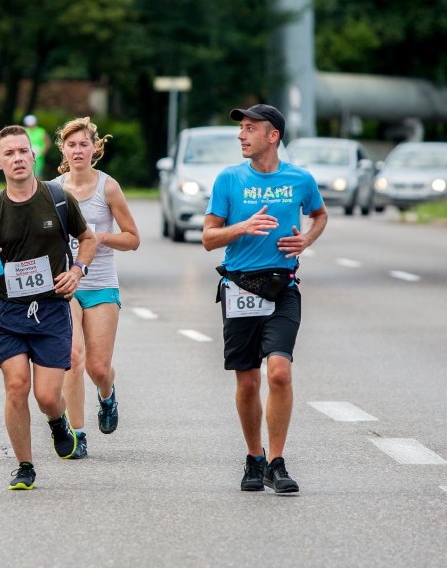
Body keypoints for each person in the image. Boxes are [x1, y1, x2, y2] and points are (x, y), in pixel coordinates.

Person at [202, 104, 327, 494]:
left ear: (273, 136)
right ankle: (253, 458)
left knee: (279, 372)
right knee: (248, 384)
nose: (241, 135)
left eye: (250, 128)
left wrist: (306, 239)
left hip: (283, 288)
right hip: (239, 289)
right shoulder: (228, 179)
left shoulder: (300, 179)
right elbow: (208, 238)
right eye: (241, 128)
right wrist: (242, 227)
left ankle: (276, 461)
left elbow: (320, 215)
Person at [0, 125, 96, 490]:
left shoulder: (56, 199)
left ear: (34, 156)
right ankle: (25, 465)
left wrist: (77, 270)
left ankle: (58, 421)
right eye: (9, 153)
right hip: (7, 312)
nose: (17, 158)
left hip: (52, 310)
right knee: (16, 385)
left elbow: (87, 239)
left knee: (46, 396)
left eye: (23, 151)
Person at [51, 117, 140, 459]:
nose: (77, 150)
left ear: (94, 149)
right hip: (67, 284)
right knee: (72, 358)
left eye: (83, 144)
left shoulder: (108, 188)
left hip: (101, 284)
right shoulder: (54, 190)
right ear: (64, 150)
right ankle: (78, 433)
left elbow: (133, 238)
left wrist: (99, 237)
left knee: (97, 368)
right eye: (71, 145)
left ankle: (107, 394)